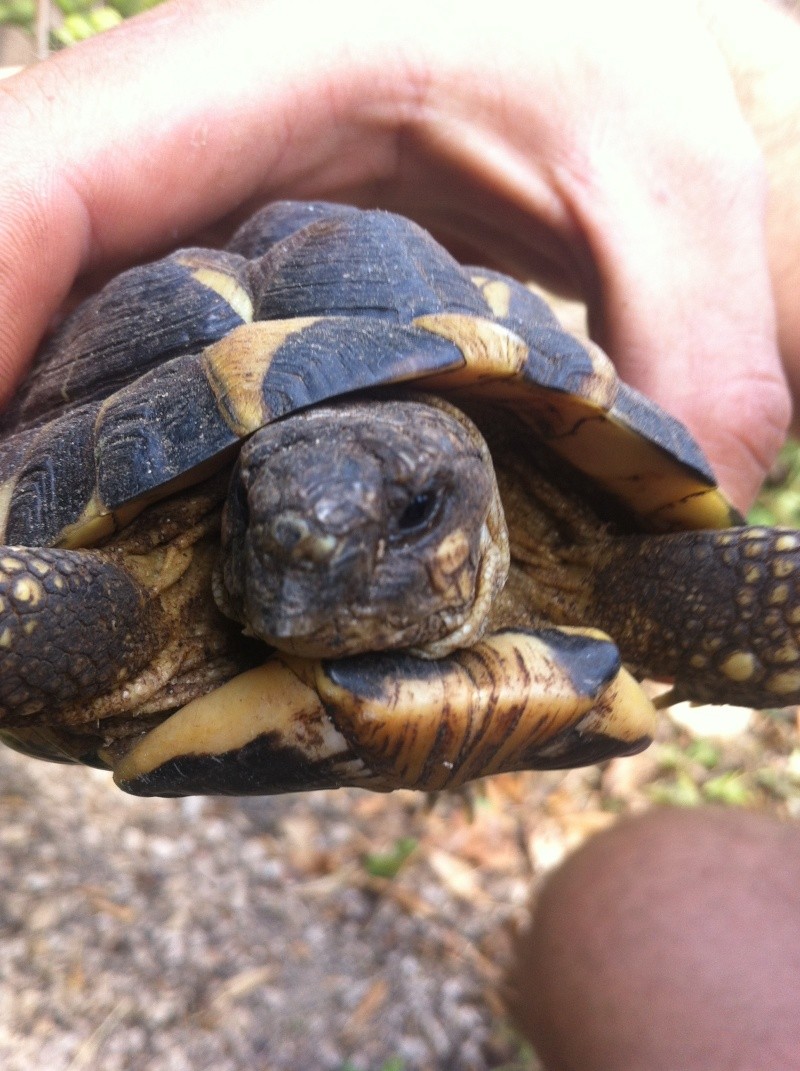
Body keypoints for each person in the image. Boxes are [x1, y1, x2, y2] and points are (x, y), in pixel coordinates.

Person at [1, 0, 799, 1065]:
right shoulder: (131, 604)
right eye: (260, 519)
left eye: (412, 513)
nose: (311, 549)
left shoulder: (596, 559)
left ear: (474, 493)